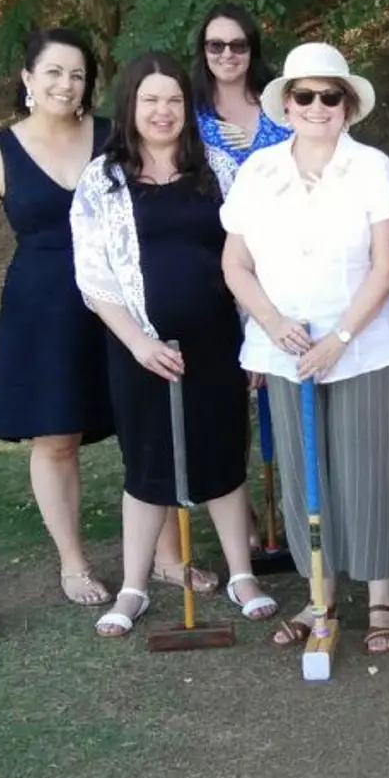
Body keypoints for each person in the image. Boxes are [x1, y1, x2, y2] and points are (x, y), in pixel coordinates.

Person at [0, 29, 205, 604]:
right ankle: (73, 562)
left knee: (147, 427)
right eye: (54, 72)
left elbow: (176, 174)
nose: (67, 84)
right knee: (57, 438)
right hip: (46, 311)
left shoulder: (116, 134)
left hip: (126, 299)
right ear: (28, 79)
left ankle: (166, 556)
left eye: (78, 74)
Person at [70, 53, 277, 636]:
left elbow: (251, 257)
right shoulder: (103, 179)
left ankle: (242, 575)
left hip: (217, 342)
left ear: (187, 109)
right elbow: (93, 275)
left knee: (222, 455)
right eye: (150, 100)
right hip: (139, 347)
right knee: (147, 462)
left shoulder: (217, 168)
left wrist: (256, 337)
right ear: (130, 106)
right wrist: (137, 341)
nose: (162, 112)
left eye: (173, 101)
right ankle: (134, 586)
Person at [222, 43, 389, 654]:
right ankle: (318, 596)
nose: (317, 106)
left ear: (349, 105)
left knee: (366, 470)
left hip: (363, 345)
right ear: (286, 104)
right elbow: (236, 264)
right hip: (285, 348)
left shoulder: (373, 167)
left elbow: (387, 266)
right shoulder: (259, 171)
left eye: (331, 95)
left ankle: (380, 596)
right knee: (306, 476)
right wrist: (273, 322)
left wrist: (340, 338)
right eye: (304, 95)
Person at [192, 2, 290, 165]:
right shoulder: (188, 115)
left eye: (238, 46)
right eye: (216, 46)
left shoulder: (283, 106)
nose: (228, 54)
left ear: (252, 50)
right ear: (204, 51)